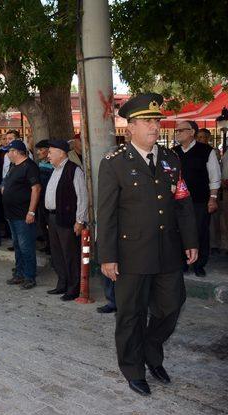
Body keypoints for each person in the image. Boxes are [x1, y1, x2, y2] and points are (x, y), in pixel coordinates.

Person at [98, 93, 198, 396]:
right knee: (131, 314)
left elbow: (182, 201)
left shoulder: (170, 159)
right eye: (147, 121)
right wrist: (107, 256)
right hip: (131, 254)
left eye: (156, 120)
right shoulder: (114, 163)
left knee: (171, 306)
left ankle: (151, 351)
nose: (154, 126)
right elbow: (107, 212)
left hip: (167, 250)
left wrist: (190, 240)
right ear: (131, 128)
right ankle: (132, 367)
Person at [172, 121, 221, 277]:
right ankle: (182, 263)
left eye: (181, 130)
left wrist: (212, 198)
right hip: (178, 202)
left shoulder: (206, 151)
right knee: (179, 232)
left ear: (192, 132)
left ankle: (199, 264)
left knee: (200, 231)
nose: (177, 133)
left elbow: (215, 177)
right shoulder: (173, 152)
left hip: (200, 200)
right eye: (176, 130)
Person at [44, 140, 88, 301]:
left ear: (61, 153)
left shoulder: (73, 170)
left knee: (70, 254)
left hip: (67, 219)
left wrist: (80, 220)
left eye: (50, 152)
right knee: (57, 254)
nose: (48, 155)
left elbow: (82, 197)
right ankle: (62, 283)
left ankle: (73, 288)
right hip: (53, 217)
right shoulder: (54, 170)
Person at [1, 140, 41, 289]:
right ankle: (19, 273)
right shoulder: (13, 166)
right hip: (11, 214)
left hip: (23, 215)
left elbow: (36, 189)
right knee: (17, 246)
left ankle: (29, 276)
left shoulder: (29, 167)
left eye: (9, 151)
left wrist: (31, 211)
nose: (7, 154)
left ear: (16, 152)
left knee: (26, 247)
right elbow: (6, 181)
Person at [35, 140, 53, 254]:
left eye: (41, 149)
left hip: (50, 200)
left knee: (49, 224)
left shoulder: (53, 165)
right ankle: (48, 245)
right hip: (41, 199)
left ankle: (52, 248)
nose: (38, 152)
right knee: (42, 223)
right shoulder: (40, 163)